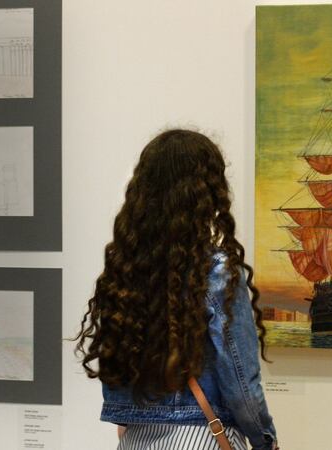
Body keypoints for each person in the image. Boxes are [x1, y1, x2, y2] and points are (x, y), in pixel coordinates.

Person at [74, 129, 278, 450]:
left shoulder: (125, 270)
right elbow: (240, 381)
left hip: (136, 441)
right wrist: (266, 440)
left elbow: (117, 369)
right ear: (208, 192)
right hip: (204, 438)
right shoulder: (217, 271)